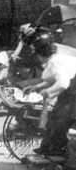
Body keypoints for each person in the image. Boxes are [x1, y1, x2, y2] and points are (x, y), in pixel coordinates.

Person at [24, 30, 76, 158]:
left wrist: (46, 92)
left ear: (40, 53)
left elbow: (63, 83)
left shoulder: (56, 62)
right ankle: (49, 147)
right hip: (70, 90)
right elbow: (52, 79)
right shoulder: (53, 60)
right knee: (56, 118)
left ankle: (57, 150)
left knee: (60, 118)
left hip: (72, 90)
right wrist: (36, 87)